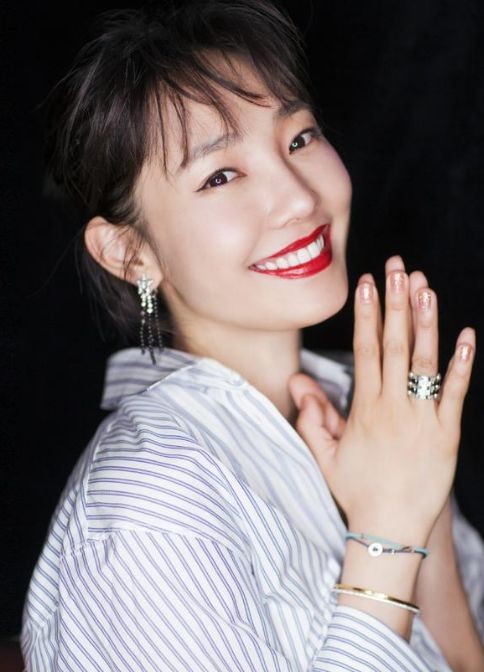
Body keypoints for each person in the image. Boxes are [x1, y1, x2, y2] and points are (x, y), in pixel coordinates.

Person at [22, 1, 484, 670]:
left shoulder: (370, 412)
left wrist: (420, 504)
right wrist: (387, 532)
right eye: (221, 175)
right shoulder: (148, 494)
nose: (300, 197)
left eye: (299, 138)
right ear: (129, 253)